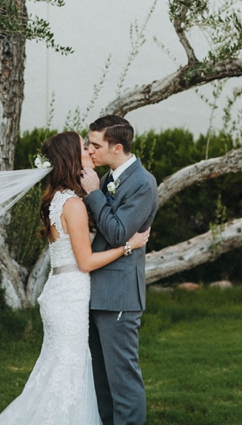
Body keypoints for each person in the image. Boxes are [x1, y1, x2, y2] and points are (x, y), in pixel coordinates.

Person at [0, 131, 150, 425]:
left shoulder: (57, 197)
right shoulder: (74, 204)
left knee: (57, 371)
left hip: (61, 291)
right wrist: (129, 246)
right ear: (71, 157)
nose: (89, 151)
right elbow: (86, 261)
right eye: (83, 147)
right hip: (70, 297)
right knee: (67, 374)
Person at [80, 115, 159, 425]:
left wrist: (93, 194)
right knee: (102, 385)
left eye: (95, 145)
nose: (89, 149)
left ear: (117, 147)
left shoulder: (143, 183)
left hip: (120, 297)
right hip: (95, 291)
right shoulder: (106, 179)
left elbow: (116, 233)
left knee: (123, 383)